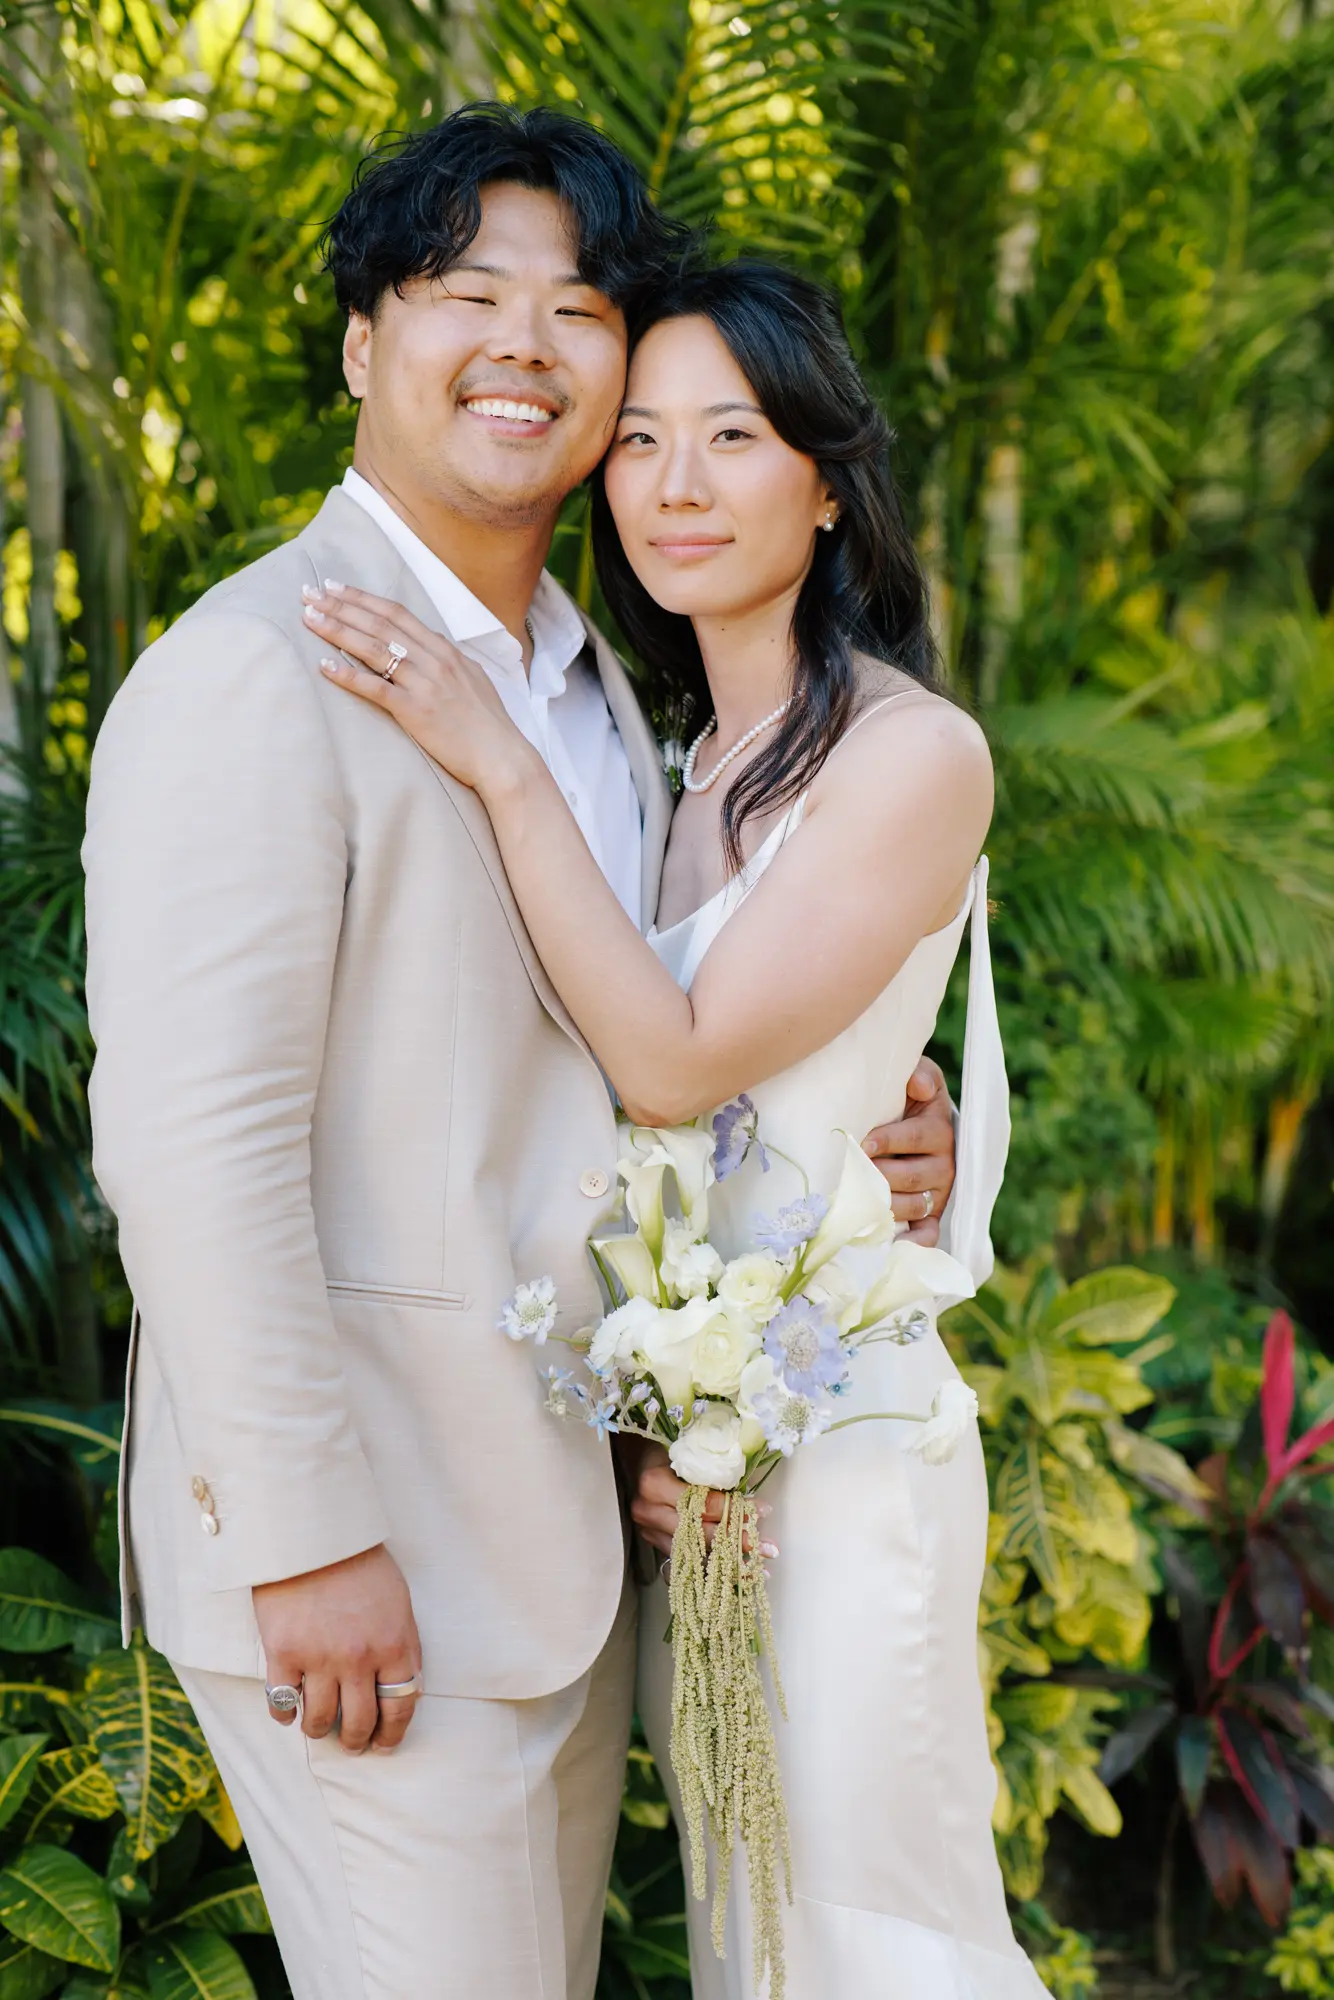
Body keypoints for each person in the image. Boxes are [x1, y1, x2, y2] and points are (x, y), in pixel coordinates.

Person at [82, 110, 962, 2000]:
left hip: (577, 1551)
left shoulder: (606, 701)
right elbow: (191, 1144)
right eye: (462, 292)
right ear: (360, 344)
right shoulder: (253, 672)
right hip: (374, 1568)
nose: (524, 345)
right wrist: (304, 1540)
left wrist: (866, 1124)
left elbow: (644, 1057)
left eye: (576, 311)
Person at [310, 258, 1046, 1999]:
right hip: (697, 1491)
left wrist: (487, 758)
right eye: (637, 440)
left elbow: (671, 1062)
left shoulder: (909, 751)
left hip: (845, 1472)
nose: (674, 484)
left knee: (876, 1933)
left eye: (730, 435)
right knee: (755, 1937)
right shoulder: (664, 764)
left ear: (823, 473)